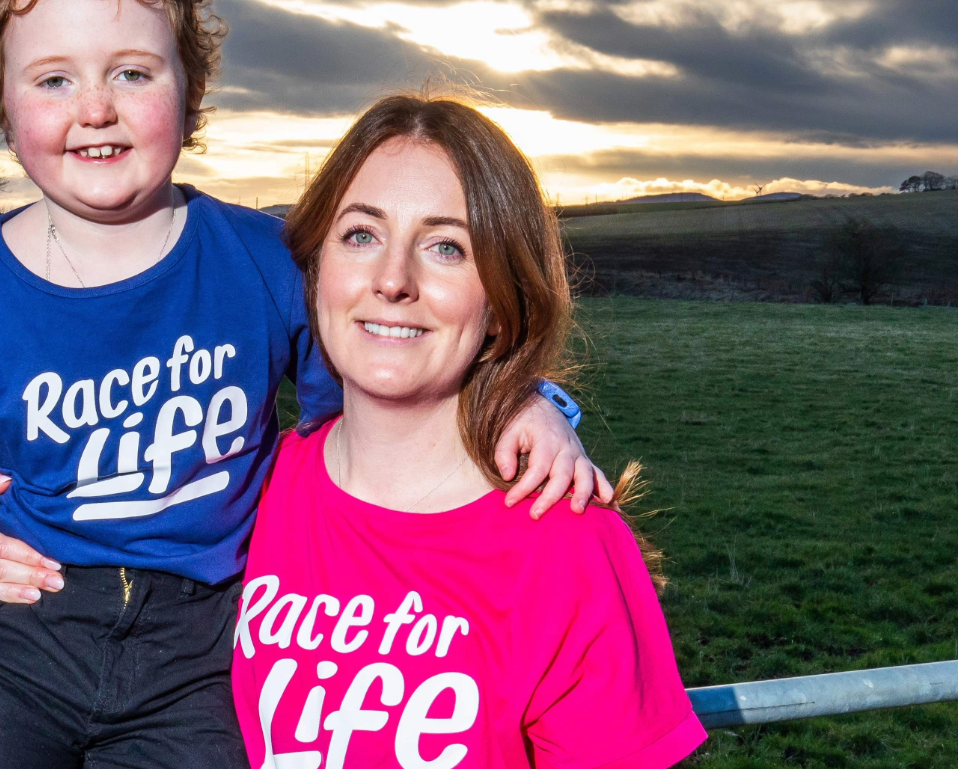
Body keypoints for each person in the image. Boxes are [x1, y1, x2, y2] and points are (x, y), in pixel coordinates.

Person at [0, 0, 607, 769]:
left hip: (211, 644)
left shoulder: (265, 263)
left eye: (133, 73)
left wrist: (523, 404)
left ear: (191, 98)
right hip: (14, 631)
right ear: (0, 105)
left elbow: (394, 389)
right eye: (53, 79)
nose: (96, 109)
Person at [229, 94, 707, 768]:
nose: (392, 280)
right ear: (315, 271)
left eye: (447, 247)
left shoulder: (569, 543)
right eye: (361, 235)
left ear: (500, 305)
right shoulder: (246, 488)